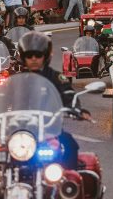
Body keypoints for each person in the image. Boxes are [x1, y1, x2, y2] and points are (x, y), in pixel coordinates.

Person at [17, 31, 88, 169]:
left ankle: (69, 184)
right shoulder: (15, 81)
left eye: (38, 55)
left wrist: (75, 108)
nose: (33, 59)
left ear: (45, 56)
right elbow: (2, 98)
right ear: (23, 57)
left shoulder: (57, 77)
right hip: (21, 130)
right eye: (28, 55)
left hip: (50, 129)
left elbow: (69, 94)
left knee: (69, 144)